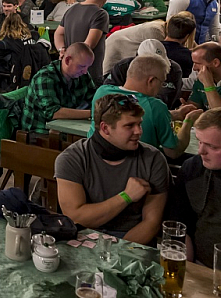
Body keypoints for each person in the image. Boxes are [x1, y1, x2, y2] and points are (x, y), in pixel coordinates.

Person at [55, 93, 170, 244]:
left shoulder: (153, 159)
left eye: (139, 124)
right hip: (84, 238)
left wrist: (117, 254)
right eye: (129, 126)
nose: (139, 131)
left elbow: (151, 223)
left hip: (132, 243)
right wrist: (126, 197)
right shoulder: (72, 158)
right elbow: (76, 217)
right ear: (105, 128)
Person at [89, 55, 197, 159]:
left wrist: (174, 114)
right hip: (136, 169)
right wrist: (188, 121)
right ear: (151, 81)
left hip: (94, 161)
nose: (161, 88)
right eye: (162, 82)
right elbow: (173, 152)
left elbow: (130, 106)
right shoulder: (156, 106)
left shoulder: (102, 92)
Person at [169, 108, 221, 266]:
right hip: (199, 263)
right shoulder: (192, 168)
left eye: (212, 147)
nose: (200, 151)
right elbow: (180, 222)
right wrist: (188, 268)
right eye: (199, 141)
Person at [18, 43, 96, 136]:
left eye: (88, 67)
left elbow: (94, 98)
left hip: (65, 127)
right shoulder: (45, 78)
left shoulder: (82, 75)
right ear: (67, 60)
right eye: (82, 67)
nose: (85, 71)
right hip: (39, 133)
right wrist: (92, 113)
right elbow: (53, 112)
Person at [54, 0, 111, 83]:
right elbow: (88, 45)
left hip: (69, 70)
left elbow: (58, 33)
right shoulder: (101, 14)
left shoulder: (71, 10)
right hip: (88, 73)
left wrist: (61, 49)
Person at [103, 39, 183, 109]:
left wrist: (129, 99)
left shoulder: (174, 70)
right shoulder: (122, 67)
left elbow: (164, 102)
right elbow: (109, 95)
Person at [102, 20, 166, 75]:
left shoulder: (159, 27)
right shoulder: (156, 31)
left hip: (123, 49)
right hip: (116, 48)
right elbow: (159, 60)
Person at [187, 42, 221, 110]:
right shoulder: (200, 80)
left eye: (198, 63)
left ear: (215, 63)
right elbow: (194, 104)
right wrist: (187, 109)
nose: (194, 68)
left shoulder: (205, 79)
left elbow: (218, 114)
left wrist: (208, 84)